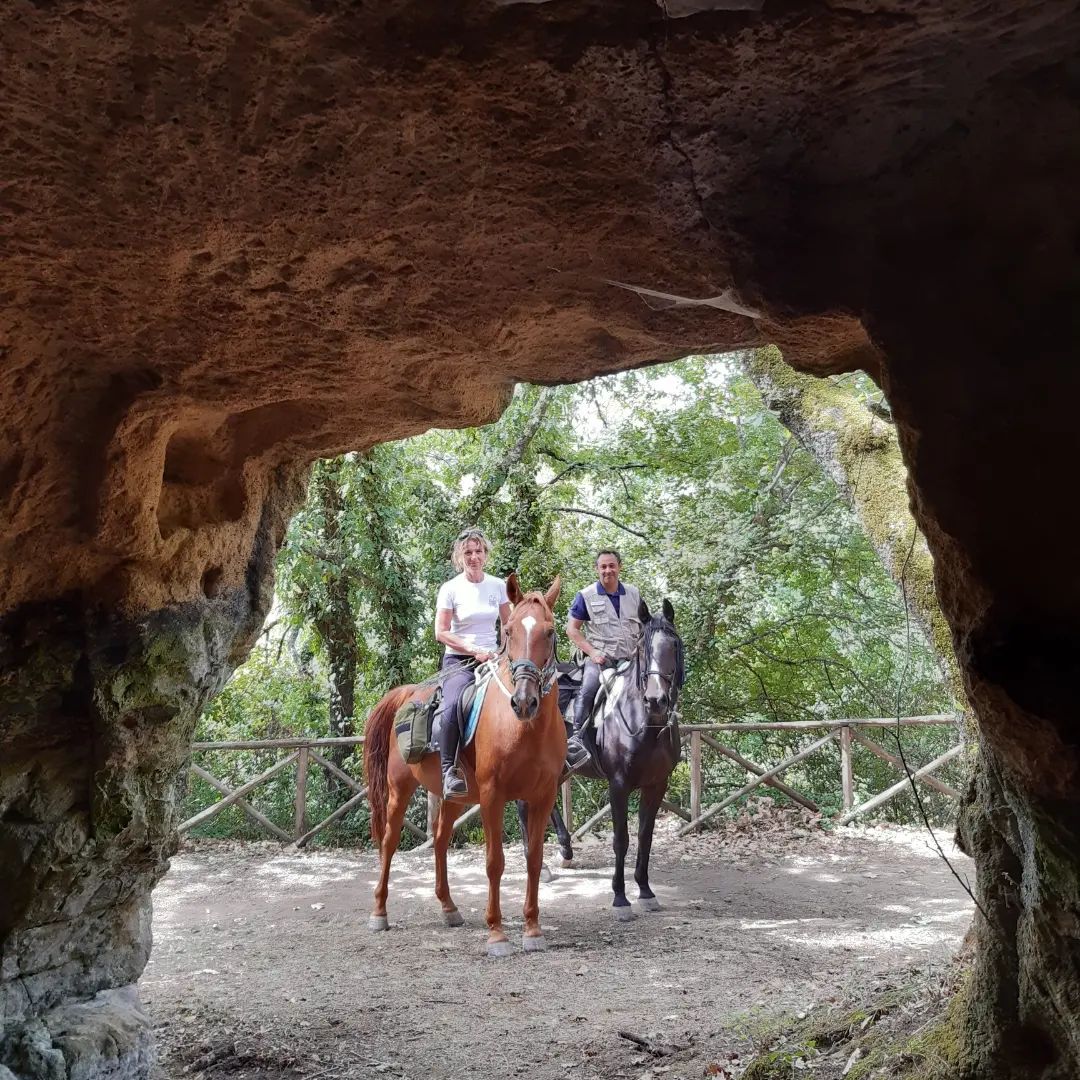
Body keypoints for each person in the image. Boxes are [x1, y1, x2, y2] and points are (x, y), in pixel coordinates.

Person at [433, 527, 512, 798]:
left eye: (478, 551)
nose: (474, 556)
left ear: (486, 555)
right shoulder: (450, 588)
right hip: (459, 660)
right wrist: (471, 648)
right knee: (453, 703)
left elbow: (508, 623)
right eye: (468, 552)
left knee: (525, 692)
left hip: (493, 659)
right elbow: (441, 631)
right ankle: (448, 771)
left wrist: (503, 650)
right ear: (459, 557)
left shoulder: (498, 586)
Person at [564, 549, 643, 770]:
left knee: (656, 686)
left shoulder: (634, 594)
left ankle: (661, 735)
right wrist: (592, 652)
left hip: (631, 659)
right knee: (588, 688)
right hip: (600, 659)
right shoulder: (586, 595)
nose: (608, 570)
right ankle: (577, 737)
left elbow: (645, 625)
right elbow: (572, 630)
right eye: (603, 567)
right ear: (596, 569)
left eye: (612, 565)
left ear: (620, 566)